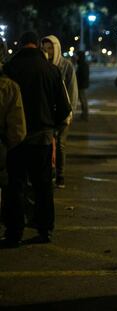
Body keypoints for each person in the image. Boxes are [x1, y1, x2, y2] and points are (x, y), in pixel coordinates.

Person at [2, 31, 71, 245]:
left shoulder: (10, 69)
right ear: (37, 46)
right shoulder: (51, 70)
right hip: (42, 137)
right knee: (43, 187)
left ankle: (14, 232)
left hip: (14, 139)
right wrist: (53, 128)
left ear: (21, 45)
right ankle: (45, 230)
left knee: (15, 186)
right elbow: (64, 109)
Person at [41, 35, 78, 189]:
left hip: (63, 111)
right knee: (48, 144)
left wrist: (70, 112)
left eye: (50, 48)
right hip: (47, 113)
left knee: (61, 144)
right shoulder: (42, 65)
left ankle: (60, 175)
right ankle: (49, 173)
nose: (47, 52)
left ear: (56, 48)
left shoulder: (66, 66)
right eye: (44, 49)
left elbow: (72, 90)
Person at [0, 41, 27, 248]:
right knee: (11, 190)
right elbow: (18, 129)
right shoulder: (9, 86)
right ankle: (13, 232)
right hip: (3, 150)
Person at [76, 51, 90, 121]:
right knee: (83, 100)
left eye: (77, 56)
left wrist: (78, 82)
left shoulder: (82, 65)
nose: (76, 57)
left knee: (83, 100)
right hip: (82, 85)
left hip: (81, 85)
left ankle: (85, 115)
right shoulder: (83, 64)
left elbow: (82, 76)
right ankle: (84, 114)